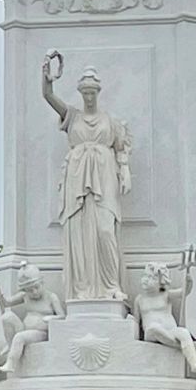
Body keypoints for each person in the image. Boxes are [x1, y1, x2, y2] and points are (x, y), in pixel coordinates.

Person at [41, 50, 132, 301]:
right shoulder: (72, 116)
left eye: (92, 93)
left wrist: (124, 171)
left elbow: (122, 148)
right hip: (77, 175)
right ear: (81, 95)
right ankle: (83, 288)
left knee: (105, 229)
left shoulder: (110, 121)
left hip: (104, 174)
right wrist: (47, 75)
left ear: (98, 93)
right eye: (85, 94)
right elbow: (48, 96)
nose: (89, 98)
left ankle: (111, 285)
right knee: (79, 233)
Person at [133, 252, 196, 375]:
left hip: (170, 330)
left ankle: (194, 364)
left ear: (161, 283)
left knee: (184, 333)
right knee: (154, 328)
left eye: (151, 278)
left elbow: (185, 292)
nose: (146, 280)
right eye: (145, 276)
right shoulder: (140, 299)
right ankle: (179, 346)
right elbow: (136, 321)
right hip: (151, 334)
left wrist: (189, 279)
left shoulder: (165, 294)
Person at [0, 262, 64, 375]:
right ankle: (10, 344)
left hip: (41, 333)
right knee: (6, 317)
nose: (34, 292)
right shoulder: (25, 296)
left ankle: (11, 363)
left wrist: (51, 318)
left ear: (42, 282)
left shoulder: (51, 297)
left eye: (36, 287)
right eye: (29, 290)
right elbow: (7, 303)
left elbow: (62, 316)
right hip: (24, 329)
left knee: (19, 337)